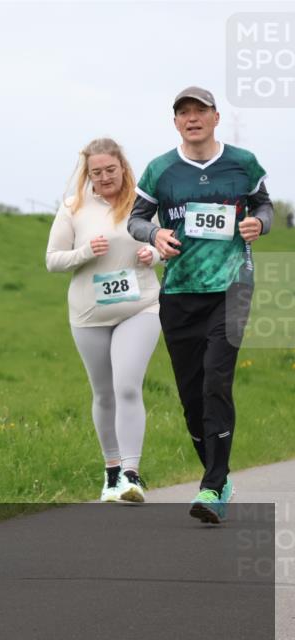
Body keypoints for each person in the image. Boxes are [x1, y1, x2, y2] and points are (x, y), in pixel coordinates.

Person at [128, 86, 274, 524]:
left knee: (215, 381)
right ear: (175, 122)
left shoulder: (243, 163)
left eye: (200, 111)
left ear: (215, 118)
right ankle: (218, 477)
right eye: (184, 113)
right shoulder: (160, 170)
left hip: (232, 286)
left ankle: (212, 485)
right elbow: (136, 219)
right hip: (179, 292)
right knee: (192, 398)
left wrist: (258, 223)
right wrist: (154, 234)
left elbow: (265, 207)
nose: (192, 118)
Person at [46, 138, 162, 503]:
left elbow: (167, 244)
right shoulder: (74, 207)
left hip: (140, 306)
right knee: (103, 392)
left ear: (123, 167)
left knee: (127, 386)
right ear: (88, 174)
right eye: (96, 172)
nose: (104, 177)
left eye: (110, 170)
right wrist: (84, 252)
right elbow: (52, 260)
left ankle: (132, 474)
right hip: (89, 314)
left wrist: (154, 253)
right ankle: (111, 473)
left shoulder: (144, 205)